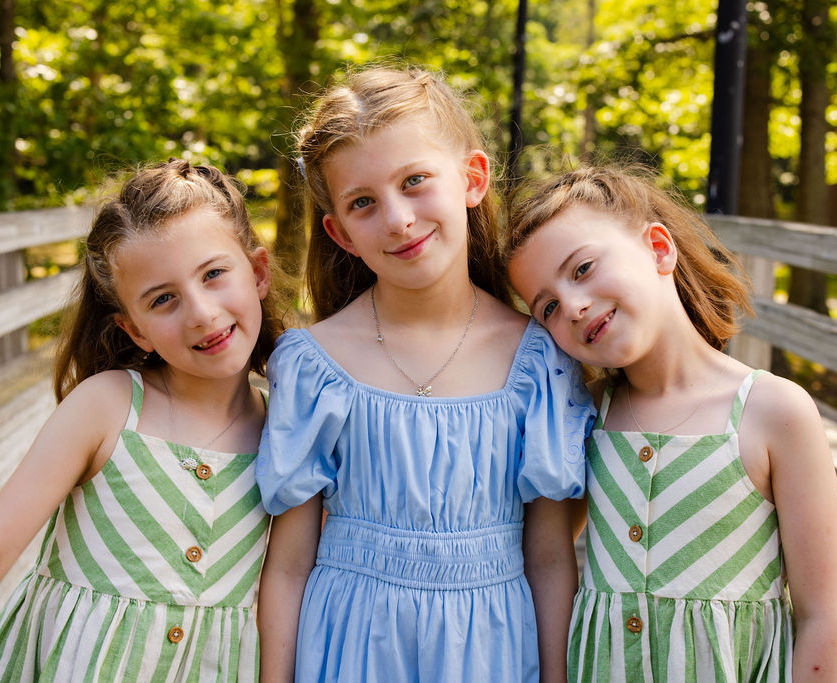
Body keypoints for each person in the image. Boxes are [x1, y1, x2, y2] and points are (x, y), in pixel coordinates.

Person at [255, 66, 596, 683]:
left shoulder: (539, 363)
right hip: (347, 648)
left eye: (415, 181)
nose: (398, 219)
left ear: (471, 179)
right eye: (363, 203)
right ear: (341, 234)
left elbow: (549, 557)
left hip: (491, 649)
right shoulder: (315, 367)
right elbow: (287, 564)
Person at [0, 159, 284, 682]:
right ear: (135, 330)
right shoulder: (108, 408)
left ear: (259, 272)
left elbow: (283, 595)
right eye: (164, 299)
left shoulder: (287, 432)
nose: (201, 312)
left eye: (214, 274)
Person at [506, 164, 837, 682]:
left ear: (659, 248)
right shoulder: (581, 418)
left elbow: (824, 616)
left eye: (582, 269)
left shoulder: (774, 412)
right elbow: (549, 556)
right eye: (548, 307)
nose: (574, 308)